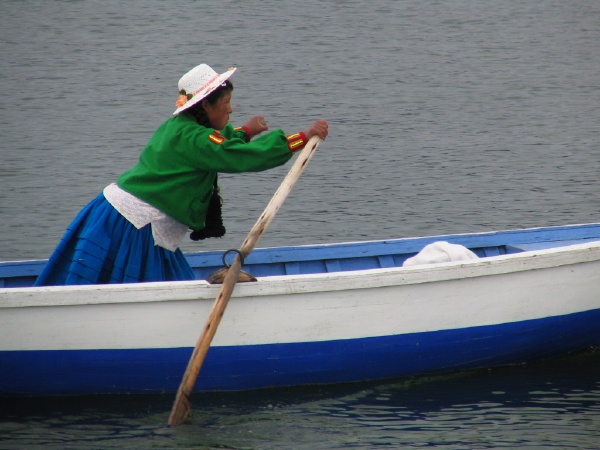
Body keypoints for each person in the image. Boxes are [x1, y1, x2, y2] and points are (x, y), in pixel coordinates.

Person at [34, 63, 329, 286]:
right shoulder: (195, 139)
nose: (231, 109)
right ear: (204, 106)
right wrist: (299, 138)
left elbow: (216, 144)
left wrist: (247, 131)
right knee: (132, 291)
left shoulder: (179, 127)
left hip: (121, 216)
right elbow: (233, 155)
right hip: (135, 225)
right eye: (225, 104)